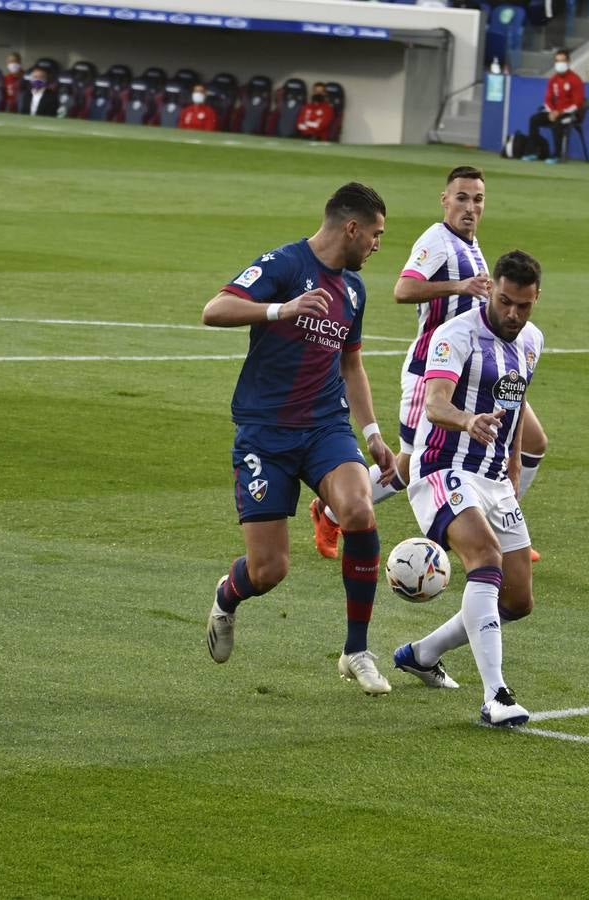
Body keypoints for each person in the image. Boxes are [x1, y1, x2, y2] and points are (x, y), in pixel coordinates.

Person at [202, 183, 399, 694]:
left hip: (325, 428)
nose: (378, 245)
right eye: (375, 234)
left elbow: (350, 361)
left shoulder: (353, 290)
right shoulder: (284, 265)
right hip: (265, 434)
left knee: (359, 509)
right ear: (351, 228)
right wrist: (279, 310)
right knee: (270, 570)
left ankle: (356, 650)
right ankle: (228, 596)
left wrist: (374, 435)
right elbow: (215, 309)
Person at [309, 166, 549, 565]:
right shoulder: (438, 240)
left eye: (477, 199)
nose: (470, 207)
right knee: (409, 465)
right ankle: (331, 512)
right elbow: (403, 289)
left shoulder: (472, 245)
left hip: (479, 374)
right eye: (461, 198)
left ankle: (504, 524)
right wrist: (458, 286)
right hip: (433, 373)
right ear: (445, 200)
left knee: (533, 442)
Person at [391, 250, 545, 727]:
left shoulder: (533, 341)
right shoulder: (455, 335)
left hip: (495, 478)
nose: (513, 314)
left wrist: (515, 462)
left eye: (523, 305)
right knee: (485, 557)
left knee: (517, 599)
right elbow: (434, 405)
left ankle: (422, 653)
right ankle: (496, 695)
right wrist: (467, 419)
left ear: (535, 299)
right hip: (442, 467)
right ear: (490, 291)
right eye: (504, 302)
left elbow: (515, 405)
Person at [523, 49, 584, 163]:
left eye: (562, 61)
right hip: (553, 112)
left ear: (568, 61)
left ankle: (556, 155)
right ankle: (532, 152)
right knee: (534, 119)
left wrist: (559, 113)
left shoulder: (575, 80)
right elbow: (548, 99)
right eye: (557, 61)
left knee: (558, 124)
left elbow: (577, 103)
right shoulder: (553, 80)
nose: (560, 64)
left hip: (569, 114)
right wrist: (551, 111)